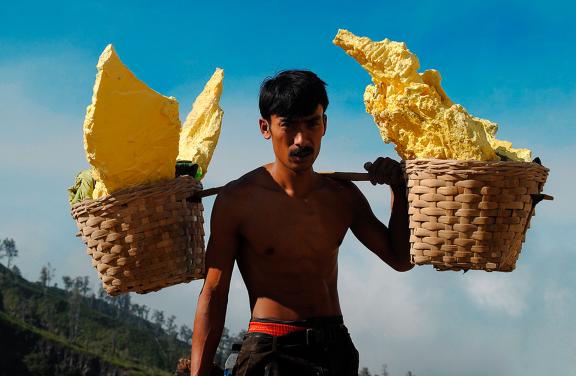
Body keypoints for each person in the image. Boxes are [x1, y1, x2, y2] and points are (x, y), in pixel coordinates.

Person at [190, 70, 412, 376]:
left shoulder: (342, 196)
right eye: (289, 126)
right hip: (271, 352)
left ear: (325, 124)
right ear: (265, 128)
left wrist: (397, 189)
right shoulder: (237, 200)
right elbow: (214, 293)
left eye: (312, 123)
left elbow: (401, 259)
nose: (301, 139)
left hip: (334, 350)